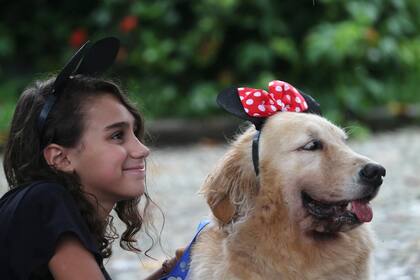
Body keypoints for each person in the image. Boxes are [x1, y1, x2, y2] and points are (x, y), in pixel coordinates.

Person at [0, 37, 180, 279]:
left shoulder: (50, 214)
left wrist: (169, 272)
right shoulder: (44, 202)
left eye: (134, 133)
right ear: (61, 158)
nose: (142, 150)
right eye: (117, 135)